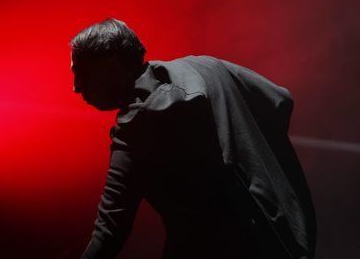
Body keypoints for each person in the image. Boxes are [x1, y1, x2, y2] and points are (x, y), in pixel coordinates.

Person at [70, 18, 316, 259]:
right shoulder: (207, 67)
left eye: (81, 74)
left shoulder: (139, 124)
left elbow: (110, 230)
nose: (76, 87)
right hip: (283, 238)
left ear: (112, 66)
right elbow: (280, 100)